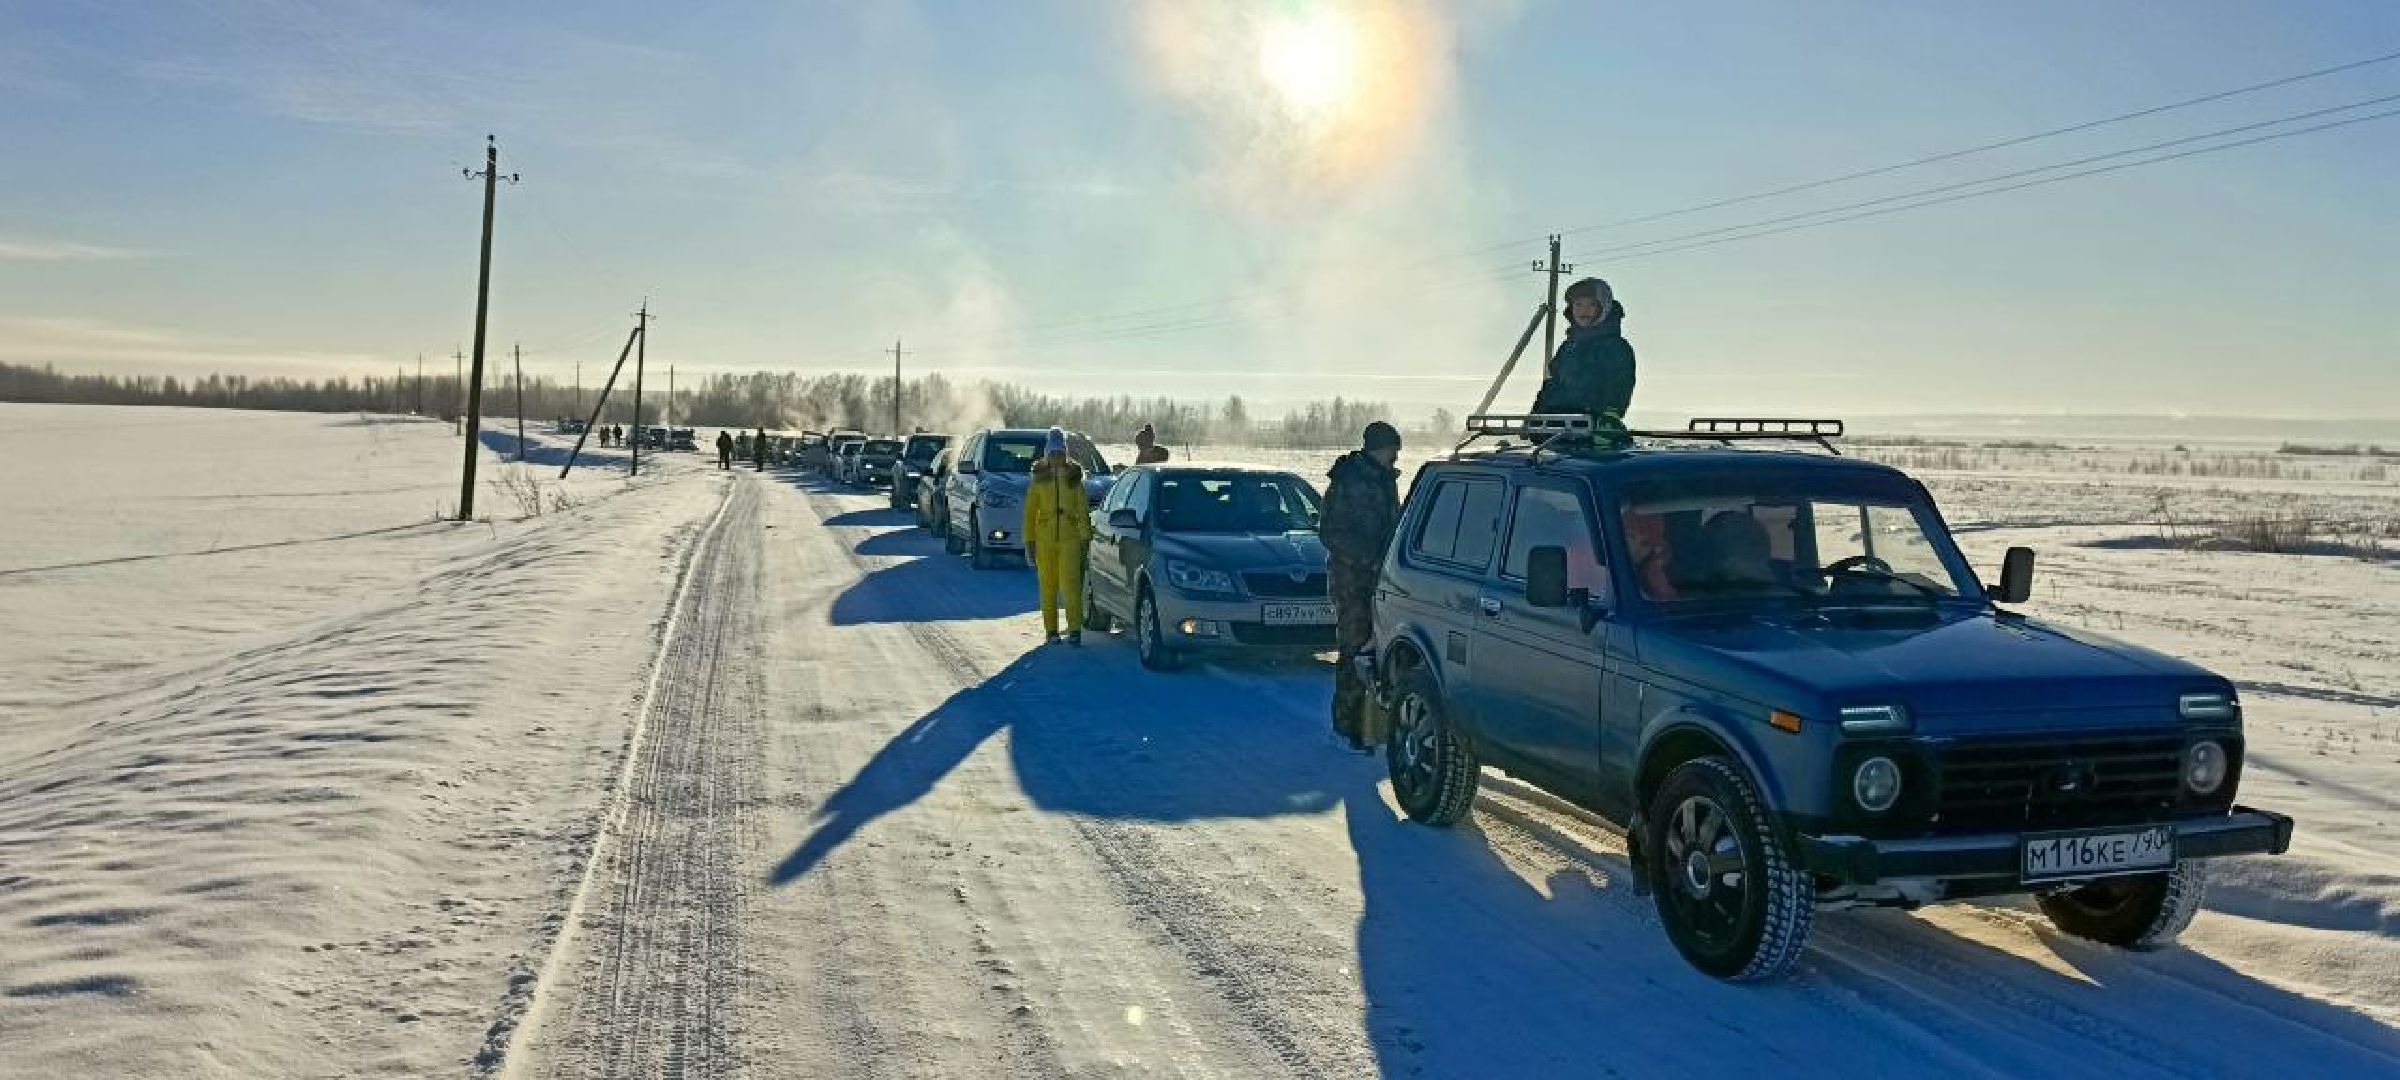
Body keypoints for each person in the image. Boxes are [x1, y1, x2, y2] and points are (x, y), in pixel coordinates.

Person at [1320, 421, 1404, 751]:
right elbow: (1329, 532)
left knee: (1377, 652)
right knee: (1354, 649)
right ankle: (1348, 724)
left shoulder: (1385, 481)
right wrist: (1367, 558)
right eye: (1391, 449)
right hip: (1351, 582)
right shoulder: (1348, 481)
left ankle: (1374, 726)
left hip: (1381, 579)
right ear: (1377, 448)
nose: (1395, 456)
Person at [1531, 277, 1636, 428]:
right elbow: (1553, 384)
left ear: (1603, 308)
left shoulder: (1615, 347)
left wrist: (1610, 416)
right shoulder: (1568, 347)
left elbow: (1620, 383)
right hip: (1556, 428)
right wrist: (1536, 415)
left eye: (1591, 304)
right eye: (1578, 304)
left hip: (1593, 427)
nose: (1583, 310)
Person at [1024, 427, 1094, 645]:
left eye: (1060, 453)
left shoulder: (1075, 480)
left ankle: (1074, 630)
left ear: (1065, 454)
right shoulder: (1038, 480)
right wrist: (1030, 542)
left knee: (1072, 585)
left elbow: (1083, 512)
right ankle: (1051, 631)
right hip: (1045, 540)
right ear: (1047, 454)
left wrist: (1085, 540)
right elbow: (1029, 514)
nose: (1056, 458)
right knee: (1048, 587)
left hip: (1070, 539)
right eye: (1053, 453)